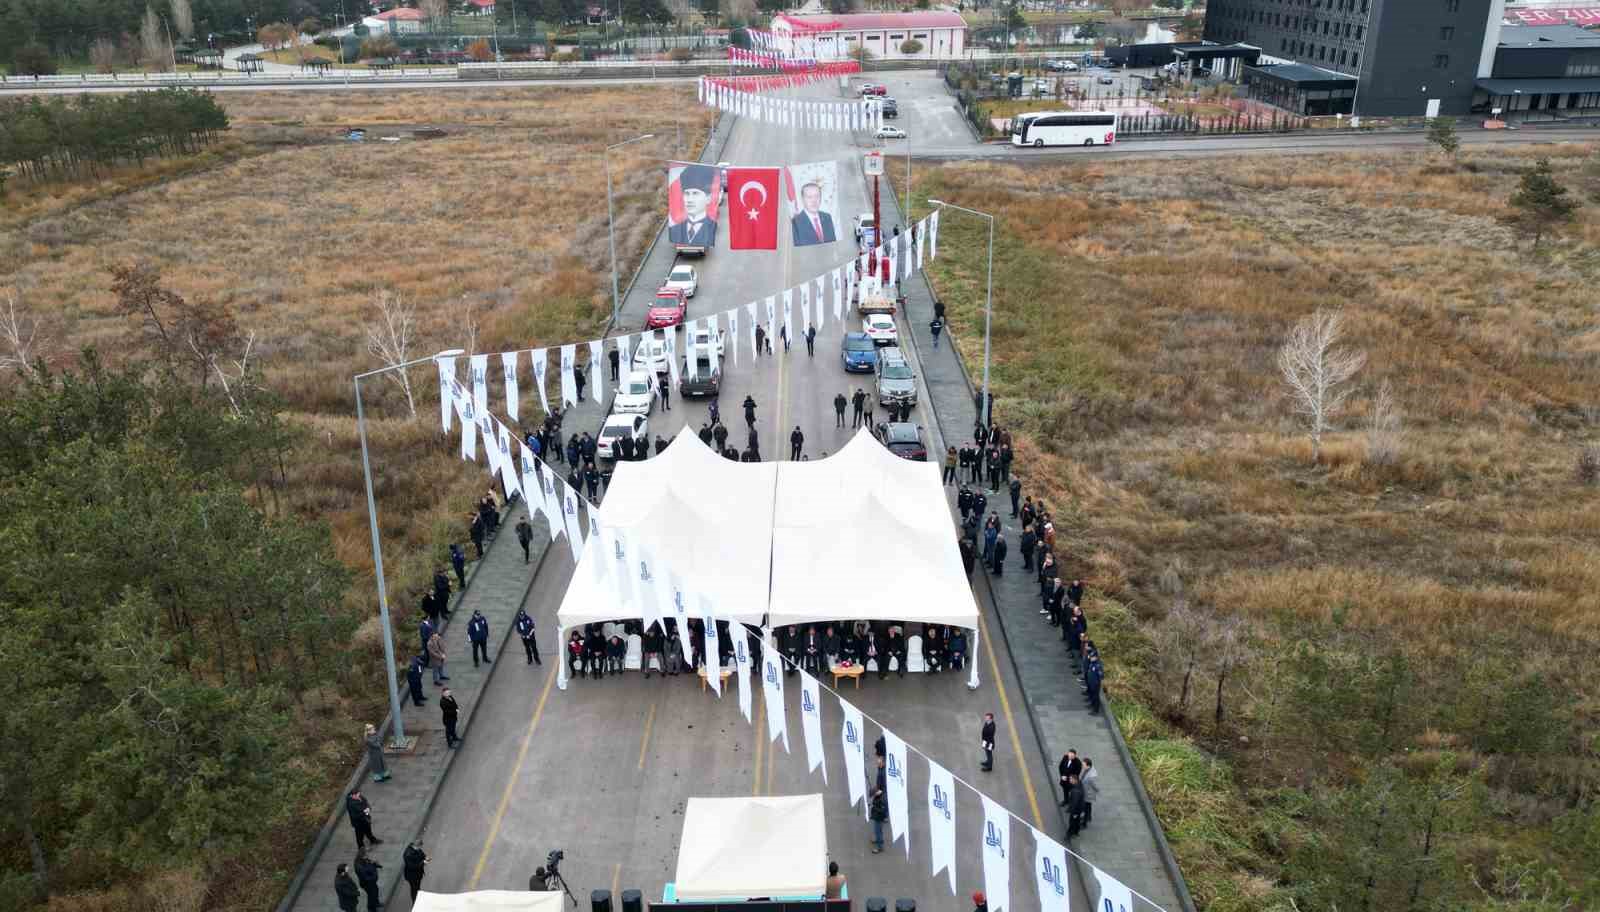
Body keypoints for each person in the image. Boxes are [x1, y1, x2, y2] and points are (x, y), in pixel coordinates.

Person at [668, 164, 719, 246]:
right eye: (687, 194)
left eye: (695, 193)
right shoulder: (674, 229)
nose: (690, 200)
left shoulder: (712, 227)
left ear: (708, 198)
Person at [791, 181, 837, 246]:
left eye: (817, 196)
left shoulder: (827, 217)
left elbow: (833, 245)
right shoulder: (795, 222)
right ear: (802, 199)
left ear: (820, 198)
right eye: (809, 197)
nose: (814, 201)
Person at [1065, 774, 1087, 840]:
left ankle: (1068, 835)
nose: (1070, 780)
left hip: (1076, 810)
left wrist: (1074, 813)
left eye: (1071, 779)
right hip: (1080, 809)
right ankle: (1076, 832)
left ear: (1075, 780)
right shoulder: (1079, 784)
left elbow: (1074, 803)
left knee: (1072, 822)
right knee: (1077, 821)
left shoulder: (1075, 791)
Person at [868, 784, 888, 853]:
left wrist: (874, 807)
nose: (873, 796)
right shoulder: (878, 796)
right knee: (877, 831)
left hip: (879, 818)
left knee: (878, 832)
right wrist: (872, 804)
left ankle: (880, 847)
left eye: (873, 795)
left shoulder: (881, 799)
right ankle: (878, 840)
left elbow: (882, 811)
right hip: (877, 817)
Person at [1081, 758, 1099, 827]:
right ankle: (1089, 817)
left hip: (1088, 794)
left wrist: (1095, 791)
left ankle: (1084, 823)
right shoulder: (1088, 769)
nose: (1082, 766)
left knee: (1086, 808)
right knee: (1088, 806)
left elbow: (1095, 786)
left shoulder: (1091, 776)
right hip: (1087, 792)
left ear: (1088, 765)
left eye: (1083, 765)